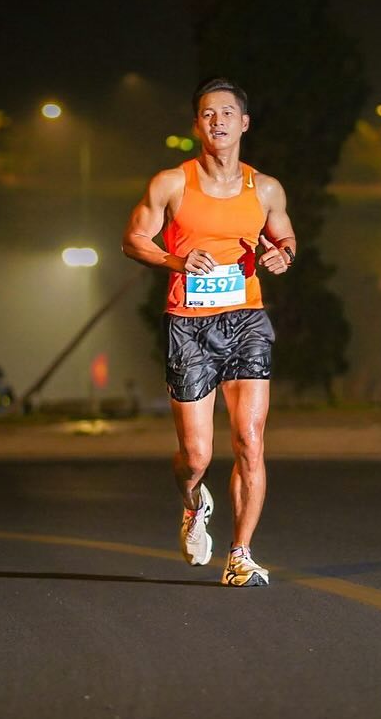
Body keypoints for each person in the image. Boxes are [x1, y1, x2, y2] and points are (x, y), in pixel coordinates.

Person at [122, 77, 296, 587]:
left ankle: (240, 555)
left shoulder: (265, 188)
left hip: (246, 319)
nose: (218, 121)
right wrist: (176, 261)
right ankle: (193, 503)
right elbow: (134, 239)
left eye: (227, 113)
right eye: (207, 114)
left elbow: (285, 236)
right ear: (197, 125)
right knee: (196, 456)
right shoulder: (171, 183)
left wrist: (283, 255)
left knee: (250, 441)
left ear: (244, 123)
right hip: (189, 324)